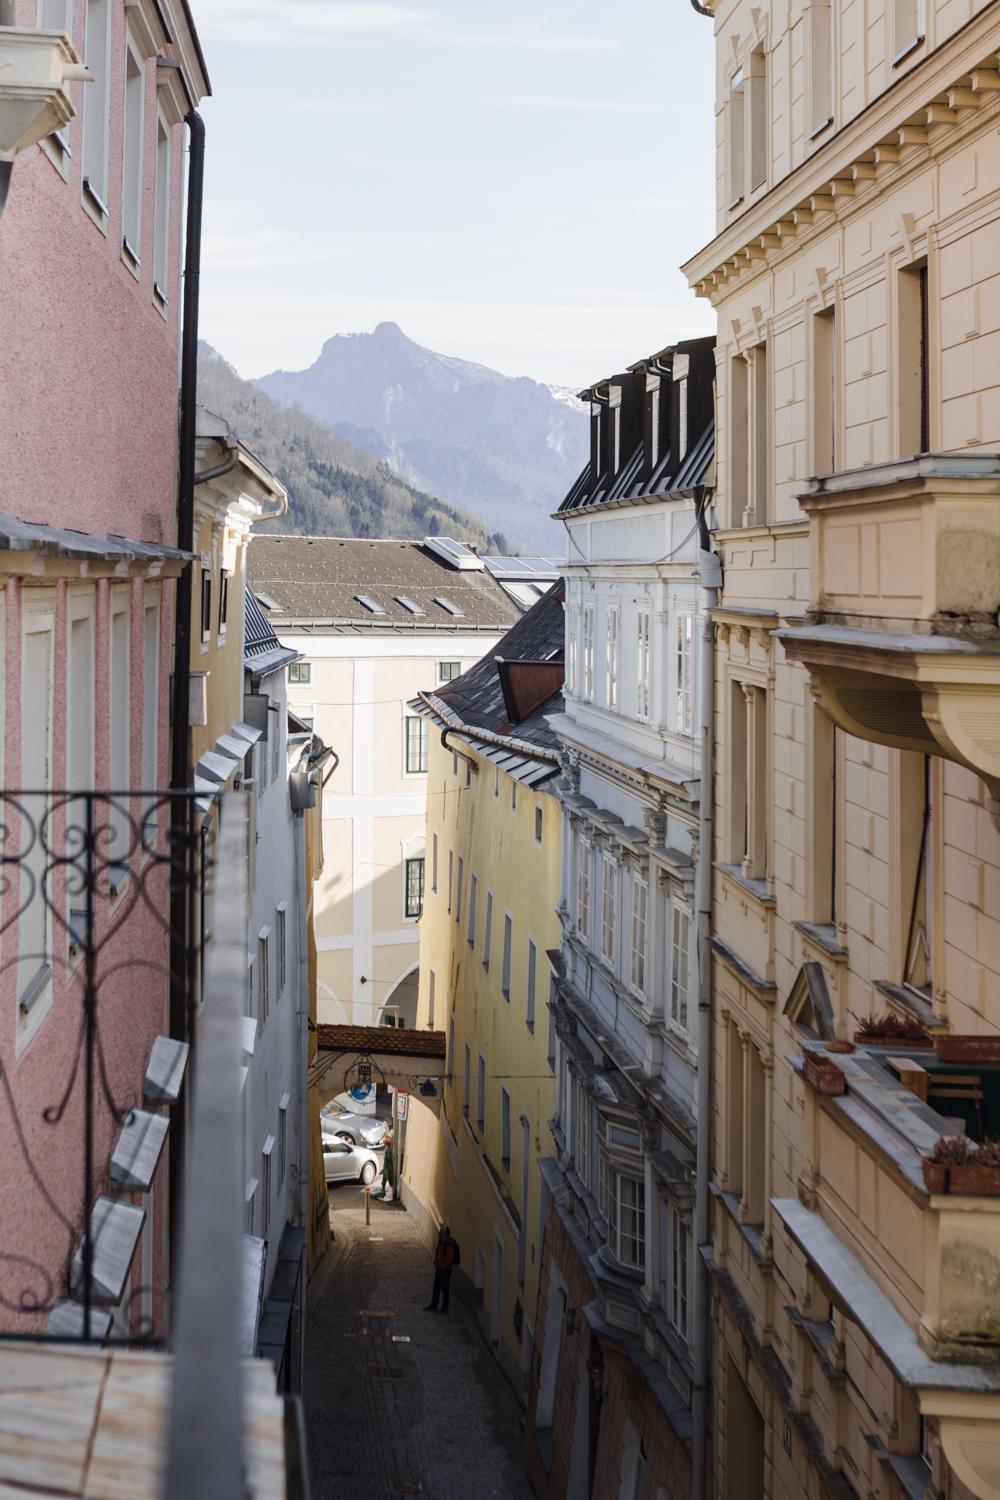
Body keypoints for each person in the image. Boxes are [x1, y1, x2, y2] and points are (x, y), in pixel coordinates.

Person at [424, 1224, 460, 1313]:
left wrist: (442, 1267)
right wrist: (437, 1263)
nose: (439, 1234)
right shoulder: (442, 1242)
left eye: (442, 1232)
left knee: (444, 1289)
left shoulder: (449, 1245)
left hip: (445, 1270)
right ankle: (434, 1305)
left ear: (446, 1234)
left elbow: (449, 1259)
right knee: (436, 1287)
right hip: (440, 1268)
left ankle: (444, 1308)